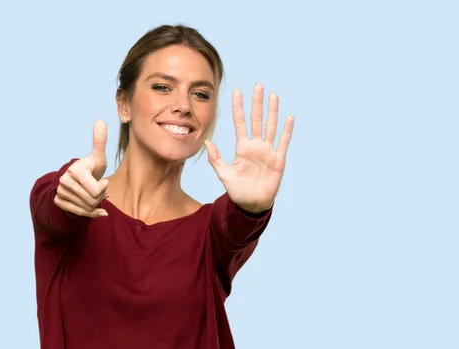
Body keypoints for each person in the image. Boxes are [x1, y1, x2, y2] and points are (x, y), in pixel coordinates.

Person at [29, 24, 294, 349]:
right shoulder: (71, 204)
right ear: (123, 104)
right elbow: (51, 200)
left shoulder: (211, 235)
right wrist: (65, 187)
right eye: (162, 87)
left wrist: (252, 207)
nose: (184, 105)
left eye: (200, 94)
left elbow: (235, 226)